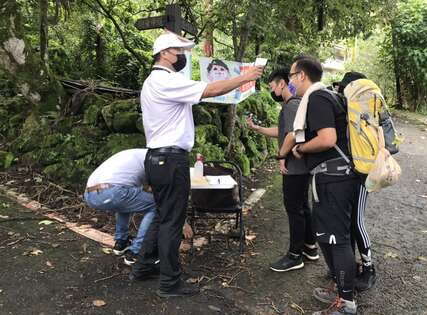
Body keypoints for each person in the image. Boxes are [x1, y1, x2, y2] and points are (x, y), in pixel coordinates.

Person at [130, 31, 264, 297]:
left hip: (158, 158)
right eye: (179, 52)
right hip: (170, 159)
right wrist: (246, 77)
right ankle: (170, 282)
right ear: (165, 53)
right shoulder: (164, 80)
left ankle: (145, 266)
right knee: (172, 220)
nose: (182, 57)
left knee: (162, 215)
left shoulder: (154, 82)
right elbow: (211, 89)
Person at [289, 57, 361, 315]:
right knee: (333, 237)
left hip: (333, 178)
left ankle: (348, 305)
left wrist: (301, 149)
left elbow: (327, 139)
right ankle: (338, 288)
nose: (290, 81)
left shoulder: (317, 98)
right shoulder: (329, 96)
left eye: (292, 76)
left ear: (302, 76)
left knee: (337, 239)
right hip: (337, 176)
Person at [247, 67, 318, 272]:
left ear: (282, 83)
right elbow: (282, 131)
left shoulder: (291, 105)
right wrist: (258, 129)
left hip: (295, 167)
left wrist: (280, 156)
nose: (272, 91)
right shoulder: (294, 105)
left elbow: (292, 135)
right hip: (301, 166)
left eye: (273, 86)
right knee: (302, 206)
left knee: (294, 209)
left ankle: (295, 256)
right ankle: (310, 247)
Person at [336, 71, 377, 292]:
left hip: (362, 175)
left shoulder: (362, 111)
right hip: (351, 173)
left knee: (356, 221)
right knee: (348, 220)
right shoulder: (351, 109)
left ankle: (369, 269)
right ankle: (350, 265)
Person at [83, 149, 156, 266]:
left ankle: (121, 243)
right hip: (111, 192)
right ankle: (137, 251)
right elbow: (160, 192)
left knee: (127, 201)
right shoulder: (155, 158)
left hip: (89, 194)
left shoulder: (137, 155)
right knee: (156, 205)